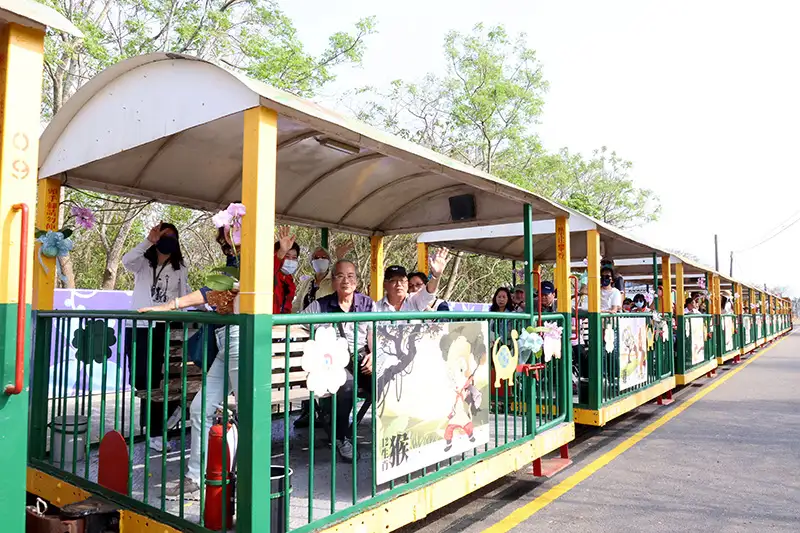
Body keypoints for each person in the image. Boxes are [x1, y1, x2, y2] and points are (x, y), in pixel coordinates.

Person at [140, 223, 291, 500]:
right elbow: (215, 292)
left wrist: (168, 305)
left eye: (233, 233)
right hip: (226, 340)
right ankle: (196, 476)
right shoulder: (233, 263)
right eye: (226, 237)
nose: (229, 240)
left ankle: (250, 481)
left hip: (241, 338)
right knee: (200, 408)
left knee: (248, 410)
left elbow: (211, 290)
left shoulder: (254, 261)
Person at [121, 222, 191, 452]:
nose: (168, 240)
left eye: (173, 236)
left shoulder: (179, 266)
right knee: (143, 380)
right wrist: (148, 241)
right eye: (164, 235)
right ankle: (153, 427)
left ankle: (156, 431)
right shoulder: (143, 262)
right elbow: (126, 261)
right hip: (141, 326)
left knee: (166, 379)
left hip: (167, 325)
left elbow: (183, 294)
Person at [301, 260, 376, 462]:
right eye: (340, 276)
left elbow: (374, 334)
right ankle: (342, 438)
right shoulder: (320, 306)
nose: (346, 281)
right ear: (333, 281)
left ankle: (388, 434)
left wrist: (373, 355)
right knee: (346, 386)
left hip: (362, 358)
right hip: (333, 363)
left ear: (357, 281)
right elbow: (297, 323)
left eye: (351, 276)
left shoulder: (368, 304)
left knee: (388, 380)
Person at [375, 248, 450, 313]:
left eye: (402, 280)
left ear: (407, 283)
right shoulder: (374, 308)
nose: (399, 284)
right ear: (384, 284)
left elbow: (429, 292)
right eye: (393, 280)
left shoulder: (415, 301)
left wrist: (436, 275)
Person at [292, 241, 355, 313]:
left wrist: (339, 258)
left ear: (329, 261)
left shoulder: (334, 280)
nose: (320, 259)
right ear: (311, 262)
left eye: (324, 257)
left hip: (327, 323)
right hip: (305, 322)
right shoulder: (307, 282)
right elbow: (297, 304)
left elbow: (343, 284)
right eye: (316, 257)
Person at [274, 227, 300, 314]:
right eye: (287, 256)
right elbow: (274, 264)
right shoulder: (270, 273)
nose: (290, 260)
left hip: (281, 325)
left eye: (294, 258)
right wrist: (282, 251)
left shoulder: (289, 281)